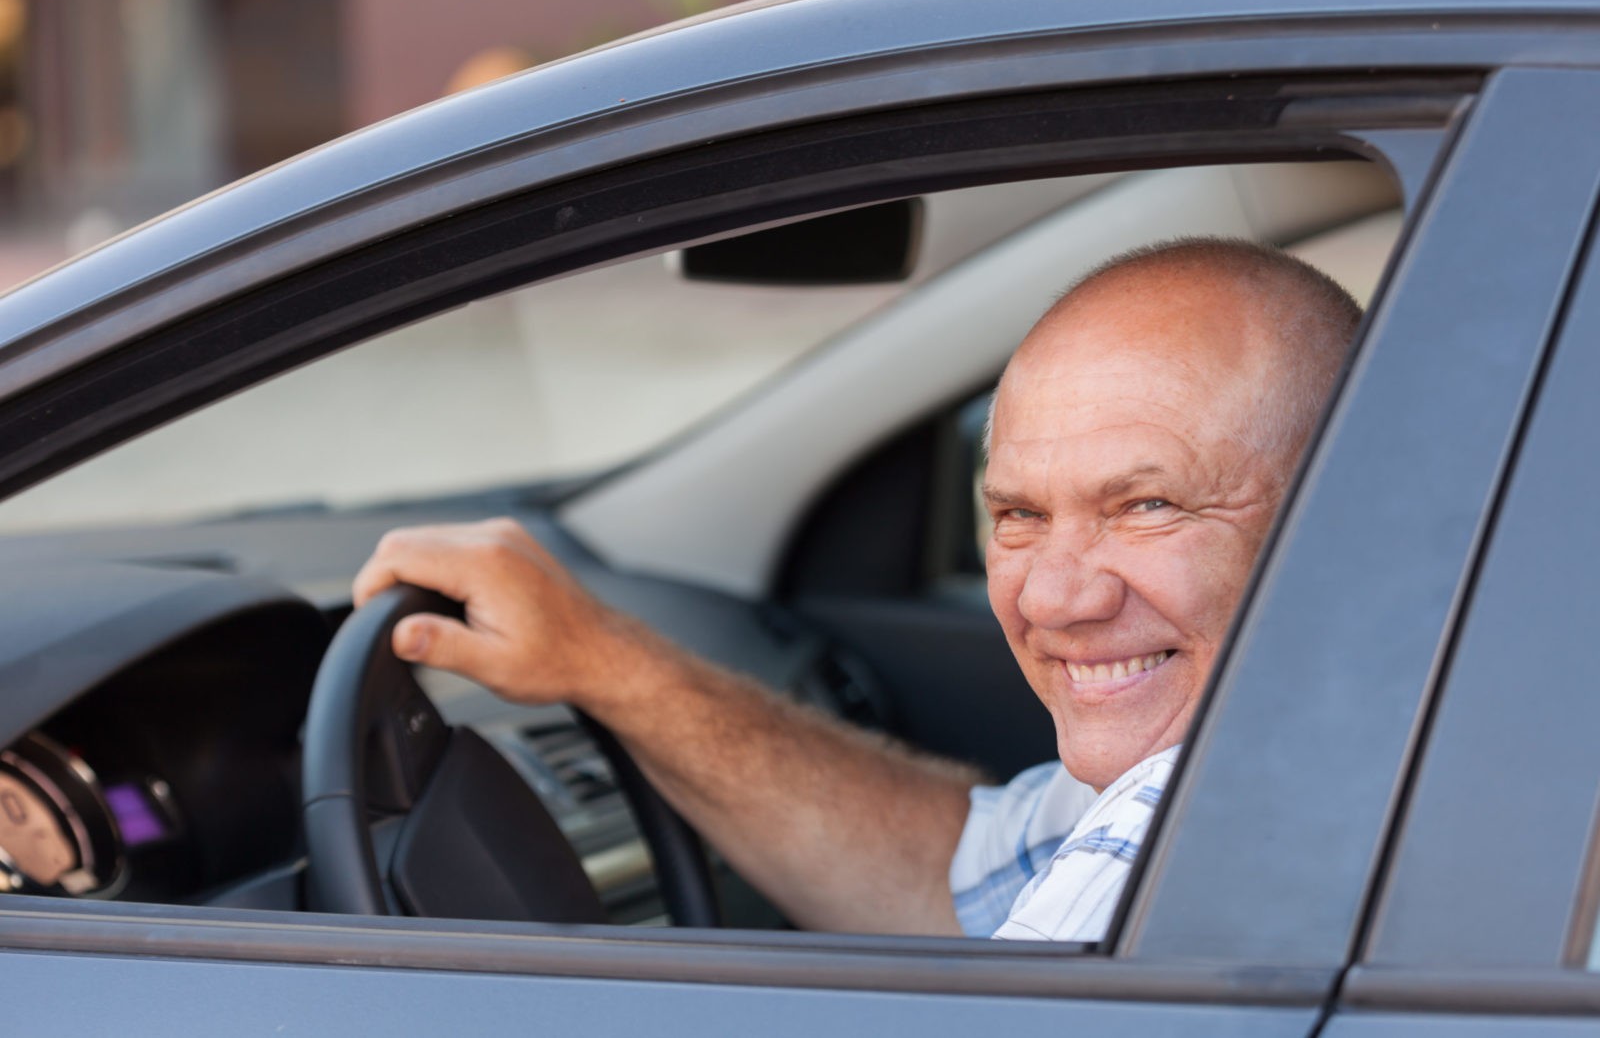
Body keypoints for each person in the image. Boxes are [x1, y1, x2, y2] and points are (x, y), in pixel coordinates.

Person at [352, 236, 1361, 942]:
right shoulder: (1331, 739)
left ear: (1344, 507)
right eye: (1017, 515)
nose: (1055, 597)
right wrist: (601, 661)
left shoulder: (1193, 846)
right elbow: (952, 878)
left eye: (1146, 506)